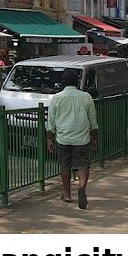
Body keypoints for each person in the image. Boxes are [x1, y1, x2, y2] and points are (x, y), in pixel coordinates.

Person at [46, 68, 98, 209]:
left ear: (63, 83)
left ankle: (67, 195)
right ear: (77, 82)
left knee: (65, 166)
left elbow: (51, 122)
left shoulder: (56, 98)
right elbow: (93, 121)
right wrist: (94, 138)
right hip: (82, 139)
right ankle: (81, 187)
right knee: (83, 165)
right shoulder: (86, 97)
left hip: (63, 138)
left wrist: (50, 139)